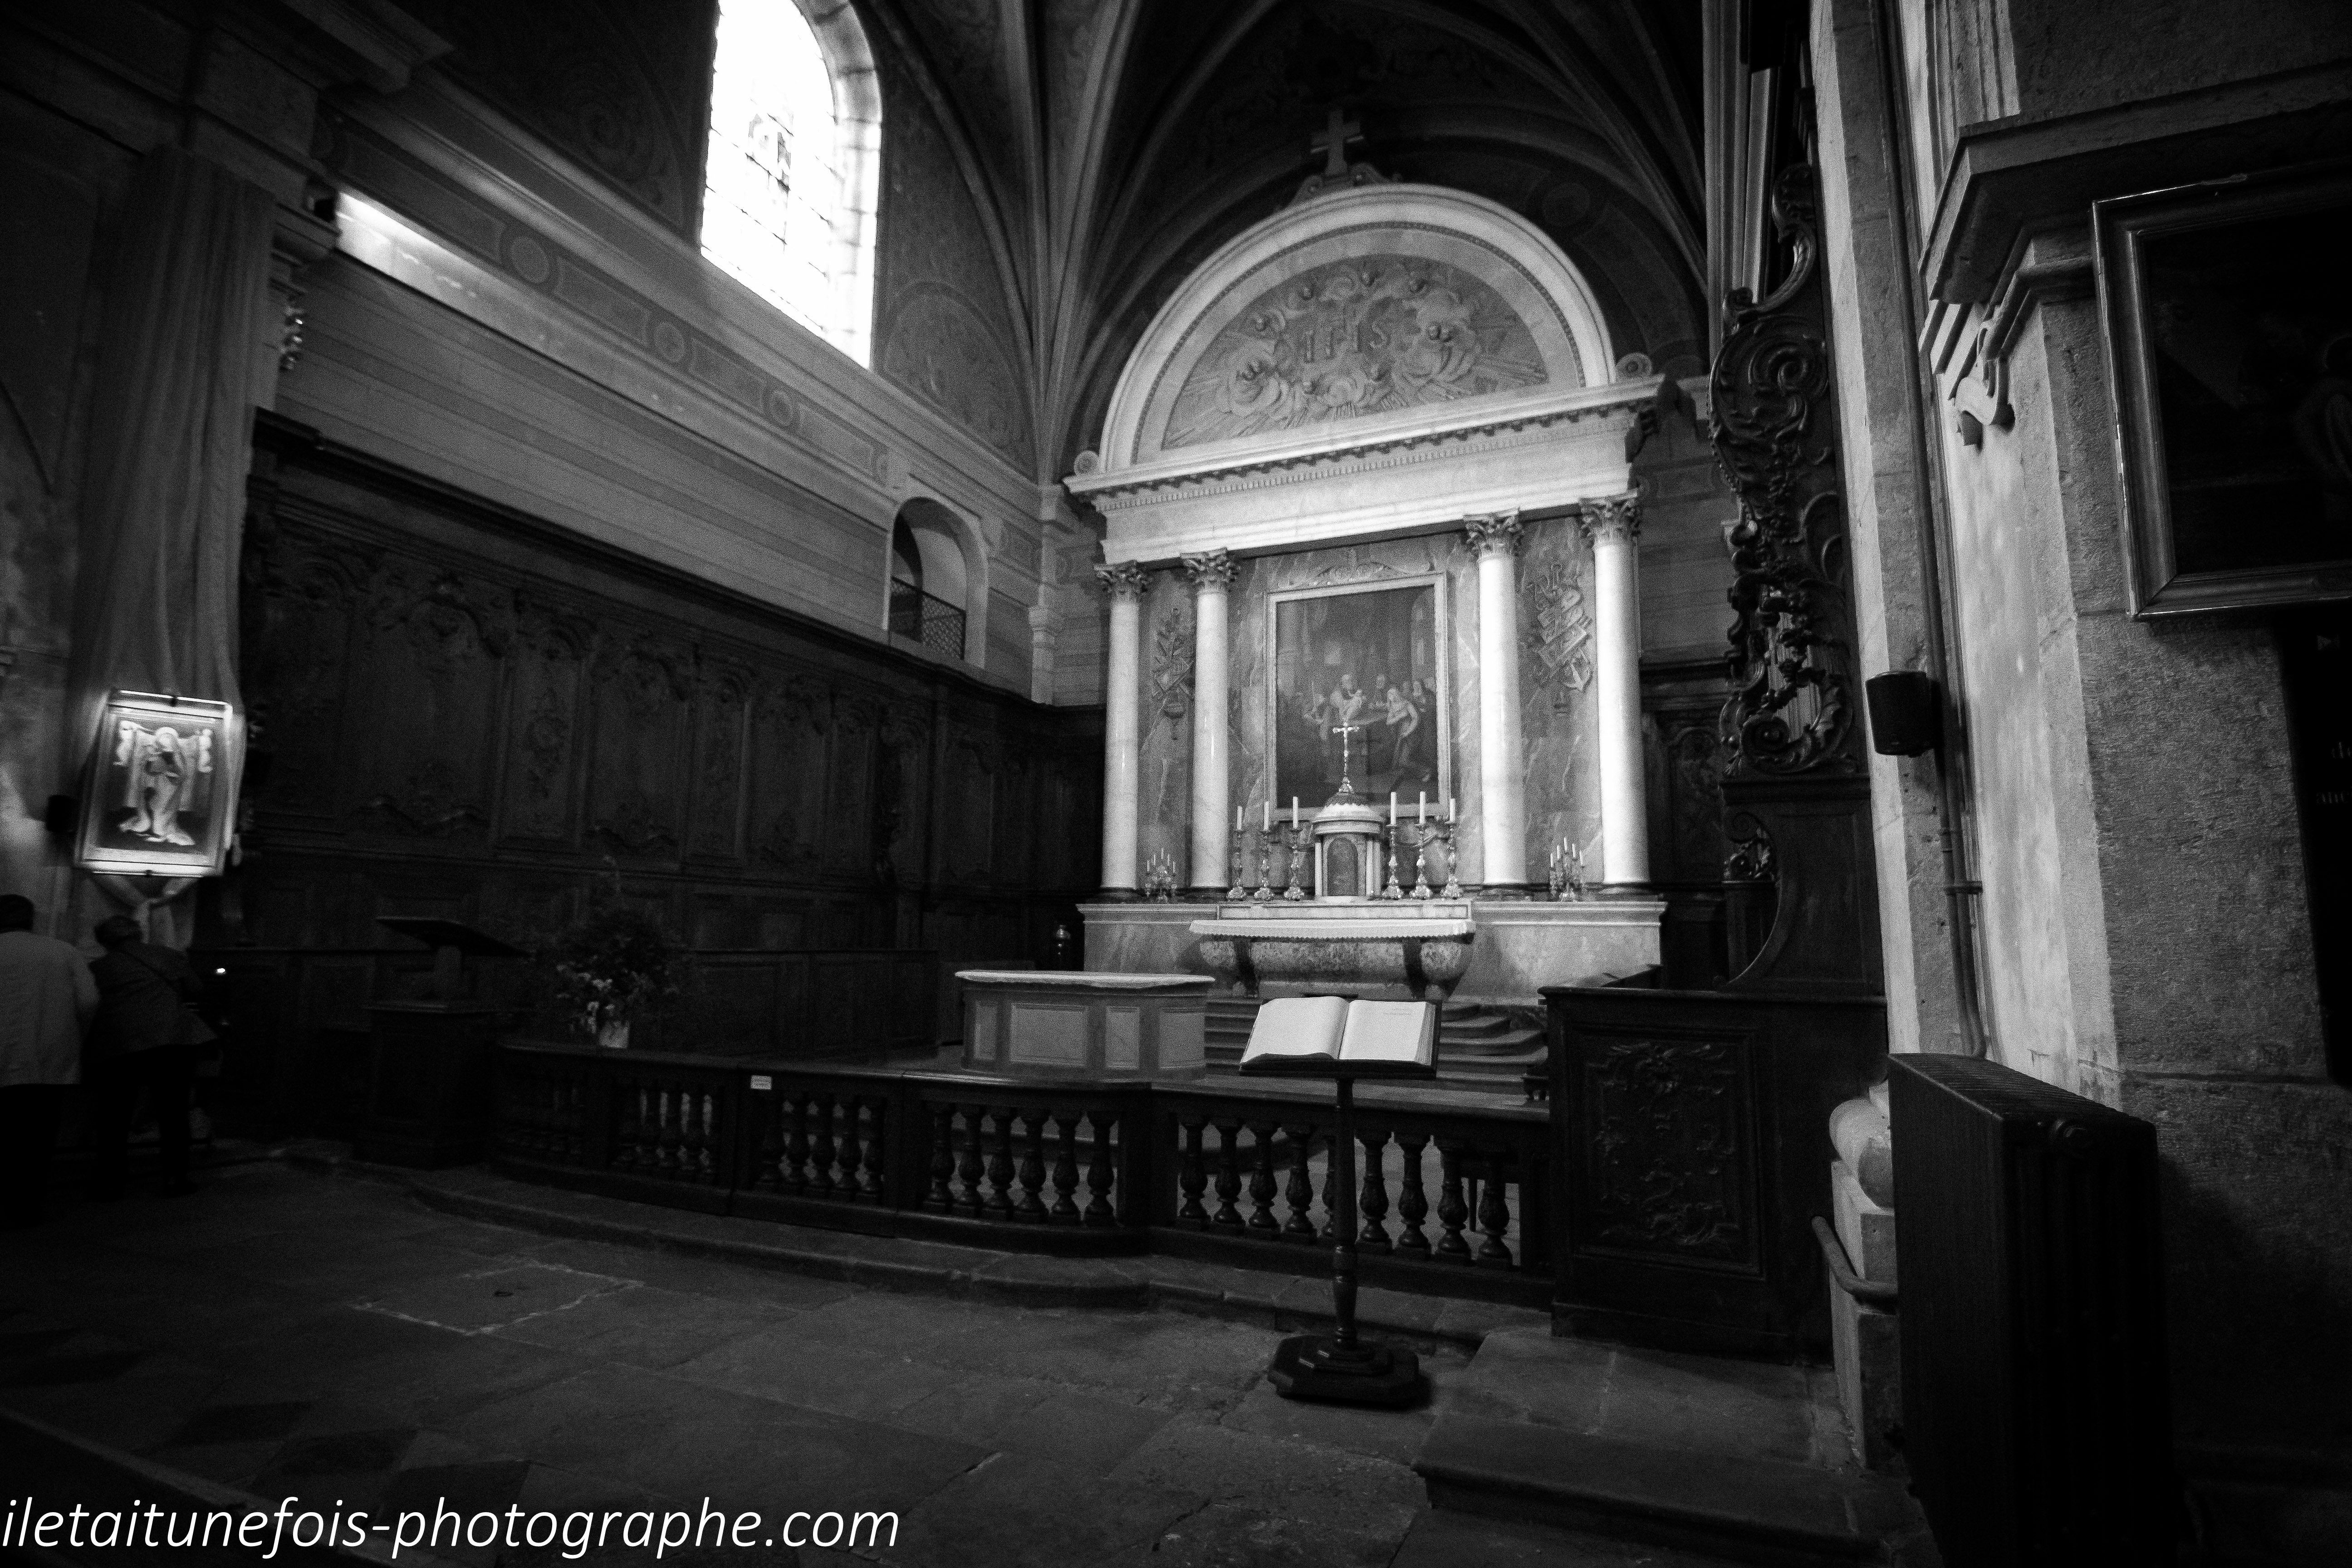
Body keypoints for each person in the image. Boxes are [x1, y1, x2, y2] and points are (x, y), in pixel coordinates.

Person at [87, 914, 211, 1199]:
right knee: (173, 1113)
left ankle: (112, 1181)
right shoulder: (168, 956)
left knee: (114, 1116)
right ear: (138, 934)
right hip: (172, 1041)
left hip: (122, 1045)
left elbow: (89, 1004)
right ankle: (176, 1178)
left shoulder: (100, 967)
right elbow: (196, 989)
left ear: (105, 942)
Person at [0, 895, 97, 1228]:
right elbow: (89, 1001)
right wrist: (75, 1037)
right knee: (38, 1135)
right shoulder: (62, 951)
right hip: (49, 1058)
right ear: (31, 919)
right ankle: (28, 1205)